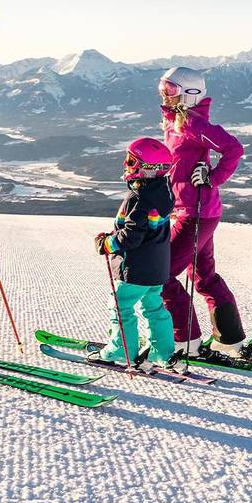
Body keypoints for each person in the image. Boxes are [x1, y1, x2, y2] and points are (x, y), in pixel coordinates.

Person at [157, 66, 252, 361]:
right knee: (204, 277)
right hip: (197, 211)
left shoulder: (193, 125)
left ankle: (185, 341)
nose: (164, 94)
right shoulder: (176, 122)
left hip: (195, 212)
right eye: (162, 88)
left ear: (190, 93)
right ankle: (230, 341)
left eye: (171, 90)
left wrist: (213, 176)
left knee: (161, 275)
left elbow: (233, 148)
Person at [90, 137, 177, 369]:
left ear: (148, 168)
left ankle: (121, 350)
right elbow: (142, 230)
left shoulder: (138, 199)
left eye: (131, 160)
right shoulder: (163, 193)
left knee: (121, 306)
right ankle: (162, 351)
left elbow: (130, 237)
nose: (126, 165)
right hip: (157, 268)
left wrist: (106, 244)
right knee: (154, 306)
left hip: (135, 269)